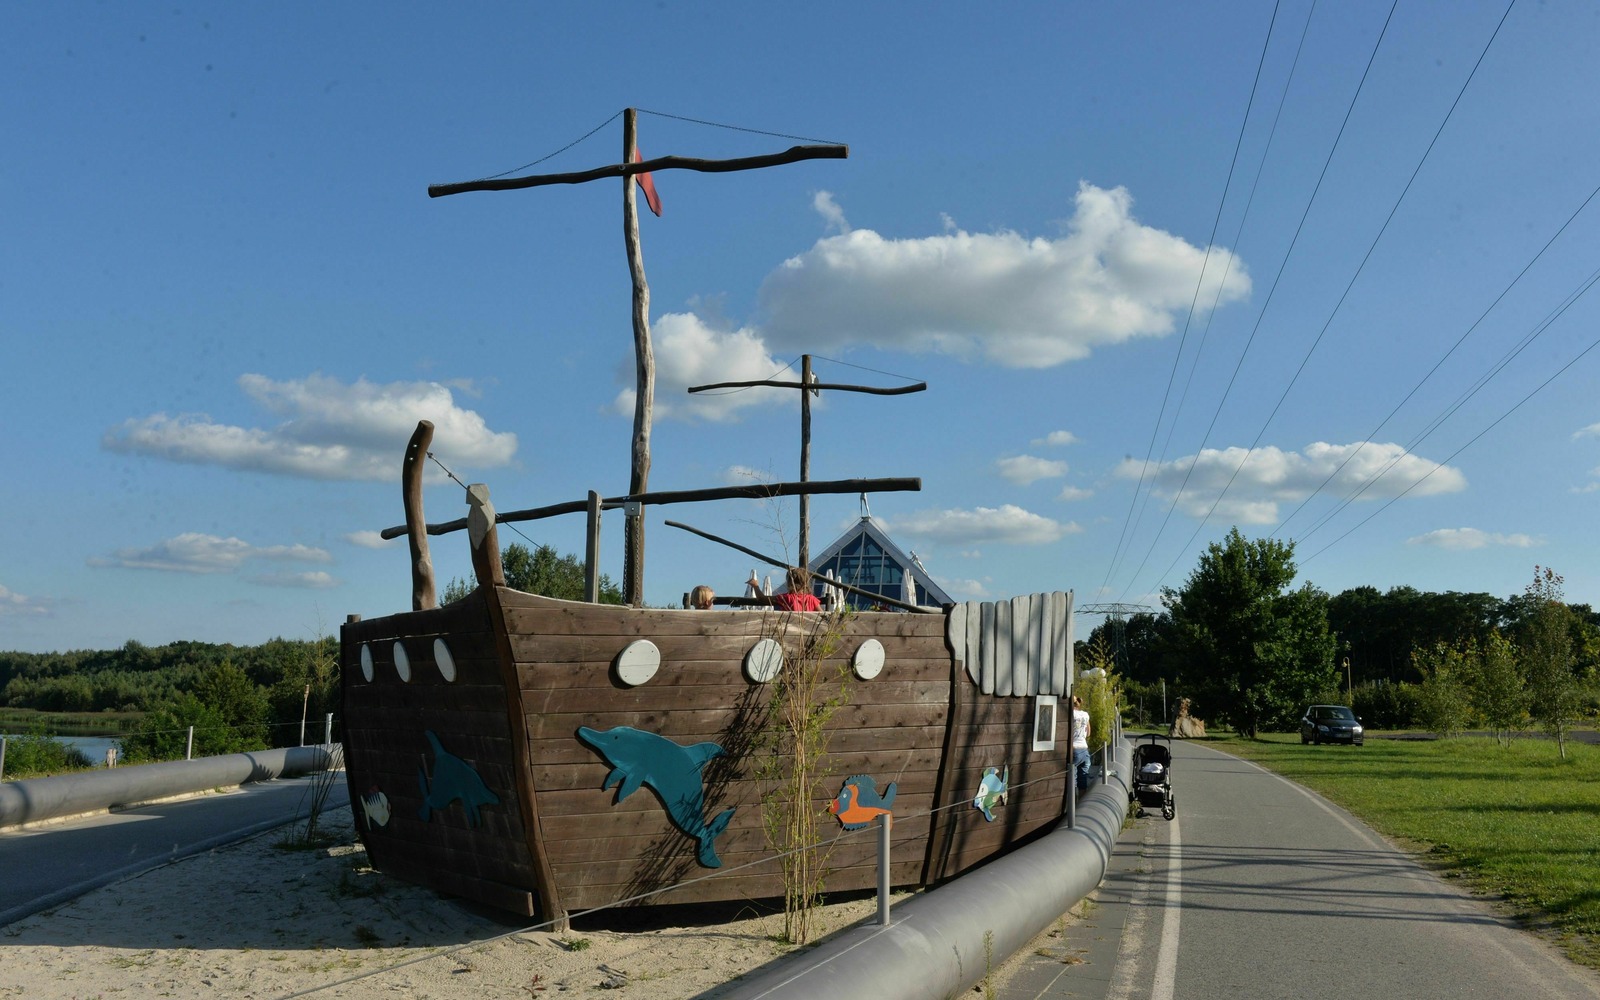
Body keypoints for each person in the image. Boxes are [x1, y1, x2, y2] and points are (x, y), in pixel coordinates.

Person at [1071, 695, 1091, 795]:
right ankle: (1081, 801)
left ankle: (1073, 802)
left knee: (1072, 781)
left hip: (1075, 749)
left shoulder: (1071, 714)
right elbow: (1088, 733)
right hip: (1085, 750)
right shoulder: (1085, 715)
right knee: (1082, 781)